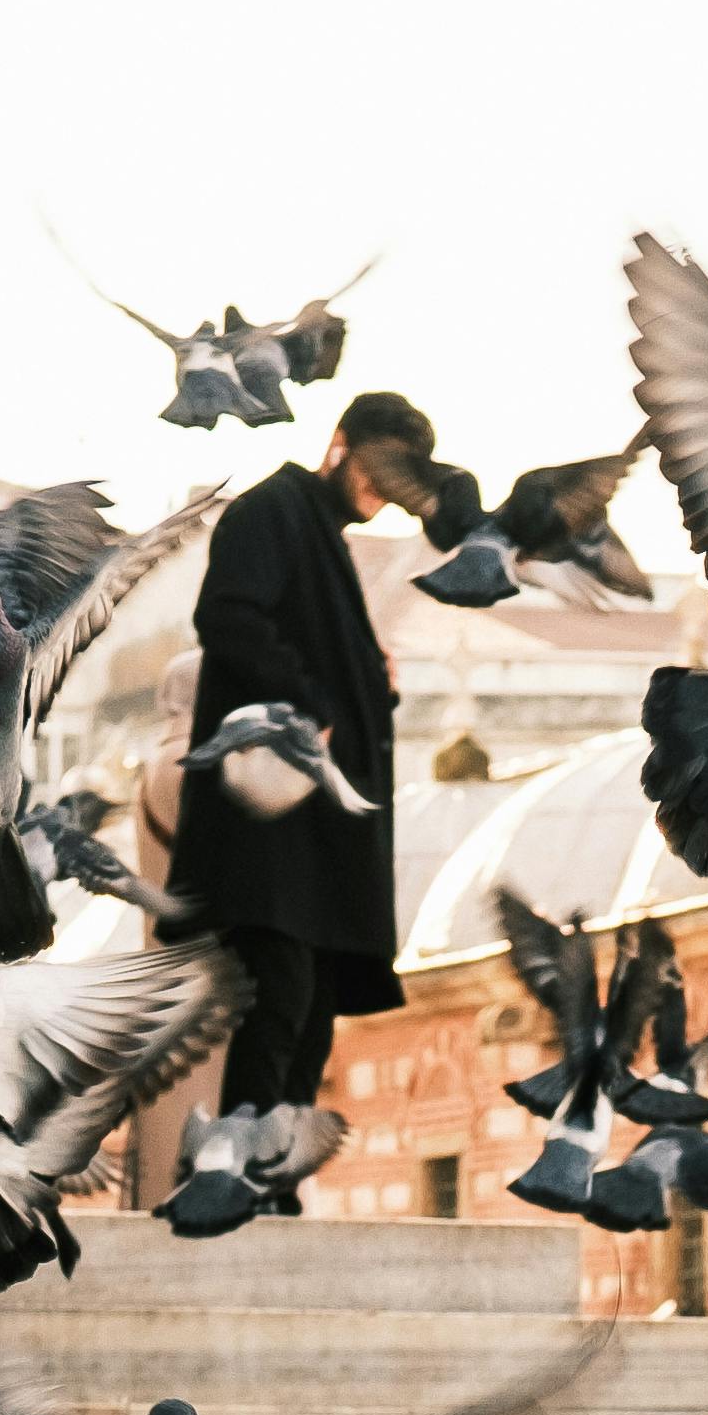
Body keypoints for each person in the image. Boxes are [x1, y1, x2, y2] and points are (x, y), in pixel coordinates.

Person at [166, 388, 463, 1129]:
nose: (382, 495)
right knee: (284, 998)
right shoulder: (274, 511)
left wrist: (368, 679)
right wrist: (311, 707)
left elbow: (301, 638)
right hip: (279, 837)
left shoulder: (316, 528)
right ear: (341, 445)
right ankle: (241, 1173)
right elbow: (229, 617)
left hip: (316, 840)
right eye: (378, 472)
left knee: (312, 1006)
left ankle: (271, 1169)